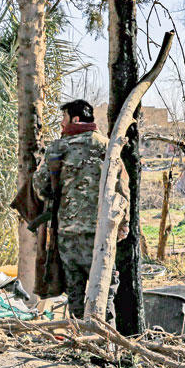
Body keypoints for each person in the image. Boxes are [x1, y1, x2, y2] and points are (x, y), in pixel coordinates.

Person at [33, 99, 129, 325]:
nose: (61, 124)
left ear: (75, 119)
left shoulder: (58, 148)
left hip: (69, 233)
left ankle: (79, 341)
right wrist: (123, 223)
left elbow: (40, 186)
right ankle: (106, 340)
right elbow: (122, 188)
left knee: (75, 291)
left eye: (63, 118)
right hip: (102, 231)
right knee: (105, 289)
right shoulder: (108, 146)